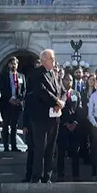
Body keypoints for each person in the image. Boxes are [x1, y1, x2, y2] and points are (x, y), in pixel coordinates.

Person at [30, 49, 65, 183]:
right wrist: (56, 101)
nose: (54, 60)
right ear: (44, 60)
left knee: (51, 148)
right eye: (52, 58)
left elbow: (62, 90)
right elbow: (41, 91)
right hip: (41, 117)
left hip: (54, 117)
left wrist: (60, 102)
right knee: (40, 147)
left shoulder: (55, 74)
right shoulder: (37, 74)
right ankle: (36, 176)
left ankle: (47, 176)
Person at [57, 74, 83, 182]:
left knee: (75, 152)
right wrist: (66, 123)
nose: (69, 82)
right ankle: (60, 174)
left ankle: (76, 175)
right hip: (63, 127)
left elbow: (79, 110)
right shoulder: (59, 94)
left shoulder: (76, 94)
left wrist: (75, 123)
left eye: (70, 80)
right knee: (61, 152)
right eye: (67, 80)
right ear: (63, 81)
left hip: (75, 127)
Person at [0, 56, 27, 152]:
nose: (14, 65)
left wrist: (19, 99)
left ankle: (14, 146)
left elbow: (24, 90)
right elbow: (2, 88)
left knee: (14, 126)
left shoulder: (21, 76)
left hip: (17, 105)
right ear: (9, 64)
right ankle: (6, 146)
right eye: (12, 63)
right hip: (7, 104)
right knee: (6, 125)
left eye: (15, 63)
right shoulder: (4, 75)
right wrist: (10, 98)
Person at [21, 59, 42, 182]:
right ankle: (29, 175)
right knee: (31, 152)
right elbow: (26, 110)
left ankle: (39, 176)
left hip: (42, 125)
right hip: (31, 125)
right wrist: (25, 126)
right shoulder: (30, 91)